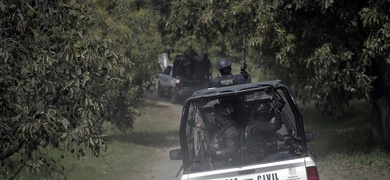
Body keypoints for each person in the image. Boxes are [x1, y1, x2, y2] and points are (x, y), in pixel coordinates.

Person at [188, 102, 240, 170]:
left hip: (226, 163)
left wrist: (215, 153)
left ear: (222, 116)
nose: (214, 117)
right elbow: (208, 127)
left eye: (216, 115)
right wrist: (195, 124)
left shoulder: (230, 131)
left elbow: (232, 149)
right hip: (218, 161)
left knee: (200, 170)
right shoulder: (221, 126)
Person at [245, 92, 286, 163]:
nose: (269, 113)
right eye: (267, 111)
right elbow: (276, 126)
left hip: (263, 156)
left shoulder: (258, 123)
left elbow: (273, 114)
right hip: (263, 158)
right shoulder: (259, 125)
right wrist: (277, 110)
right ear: (263, 113)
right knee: (287, 156)